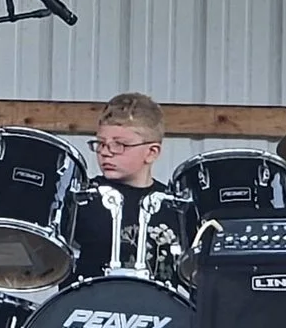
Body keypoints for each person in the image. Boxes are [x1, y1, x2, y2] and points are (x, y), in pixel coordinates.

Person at [65, 92, 192, 286]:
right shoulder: (81, 198)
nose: (106, 152)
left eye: (120, 145)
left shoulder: (174, 206)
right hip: (85, 312)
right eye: (101, 144)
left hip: (159, 313)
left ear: (151, 152)